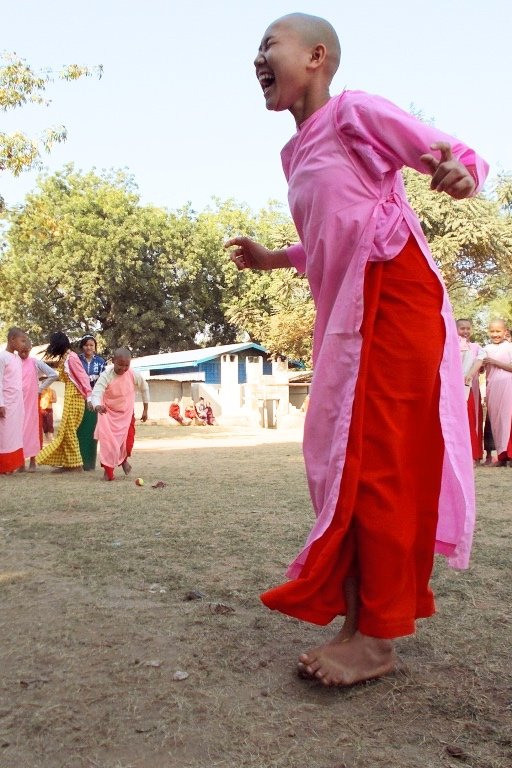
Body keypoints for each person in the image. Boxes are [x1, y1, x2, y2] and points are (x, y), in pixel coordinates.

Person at [225, 13, 489, 687]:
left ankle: (376, 637)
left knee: (378, 464)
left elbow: (450, 151)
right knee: (338, 461)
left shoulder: (353, 113)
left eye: (270, 44)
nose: (258, 57)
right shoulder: (294, 154)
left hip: (393, 296)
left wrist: (462, 173)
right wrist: (273, 258)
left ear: (317, 56)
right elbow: (330, 236)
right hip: (347, 313)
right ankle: (358, 623)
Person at [90, 347, 149, 481]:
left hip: (127, 414)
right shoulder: (106, 375)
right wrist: (97, 405)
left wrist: (145, 409)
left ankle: (123, 460)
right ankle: (108, 472)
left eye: (126, 365)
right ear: (113, 361)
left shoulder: (133, 374)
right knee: (109, 444)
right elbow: (97, 392)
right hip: (107, 413)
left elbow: (145, 388)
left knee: (127, 443)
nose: (123, 368)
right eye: (120, 365)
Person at [36, 332, 92, 472]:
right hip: (71, 397)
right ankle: (69, 464)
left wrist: (89, 396)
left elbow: (83, 377)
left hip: (75, 397)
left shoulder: (71, 358)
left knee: (69, 431)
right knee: (66, 431)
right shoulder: (66, 357)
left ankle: (76, 466)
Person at [18, 337, 58, 472]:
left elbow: (53, 374)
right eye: (21, 351)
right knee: (18, 430)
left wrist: (39, 389)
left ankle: (33, 461)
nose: (24, 353)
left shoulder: (35, 362)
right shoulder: (14, 362)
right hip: (17, 401)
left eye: (27, 350)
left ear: (30, 349)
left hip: (32, 401)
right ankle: (20, 462)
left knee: (33, 430)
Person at [482, 319, 512, 467]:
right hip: (492, 387)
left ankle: (509, 454)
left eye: (498, 331)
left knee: (508, 420)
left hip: (508, 386)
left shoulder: (510, 347)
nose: (495, 334)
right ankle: (501, 456)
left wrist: (495, 362)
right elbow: (480, 368)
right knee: (496, 422)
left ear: (505, 332)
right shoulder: (486, 348)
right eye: (492, 331)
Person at [456, 319, 485, 464]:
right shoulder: (451, 345)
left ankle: (472, 455)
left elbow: (479, 360)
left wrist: (470, 374)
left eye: (468, 328)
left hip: (468, 388)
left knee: (469, 421)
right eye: (462, 328)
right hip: (453, 389)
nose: (465, 331)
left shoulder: (475, 347)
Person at [76, 334, 107, 470]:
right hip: (78, 399)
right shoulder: (76, 360)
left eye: (91, 345)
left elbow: (104, 380)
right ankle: (78, 462)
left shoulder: (101, 362)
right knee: (79, 431)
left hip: (95, 401)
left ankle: (90, 463)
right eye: (86, 345)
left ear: (95, 347)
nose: (88, 347)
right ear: (82, 346)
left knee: (92, 432)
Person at [0, 327, 26, 474]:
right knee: (4, 435)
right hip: (6, 403)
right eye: (22, 341)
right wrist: (1, 404)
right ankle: (3, 466)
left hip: (17, 403)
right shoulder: (2, 357)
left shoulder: (17, 359)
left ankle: (12, 465)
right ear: (12, 340)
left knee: (15, 435)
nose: (24, 344)